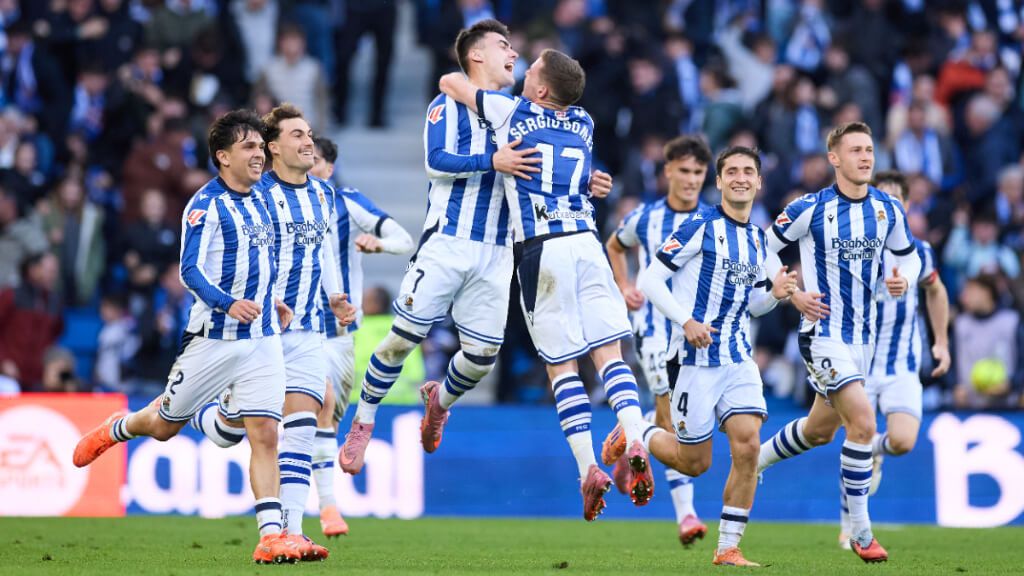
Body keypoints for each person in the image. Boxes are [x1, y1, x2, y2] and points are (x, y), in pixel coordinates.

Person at [338, 20, 612, 475]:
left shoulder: (522, 111)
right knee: (401, 341)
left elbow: (548, 170)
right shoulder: (449, 103)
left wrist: (587, 180)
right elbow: (435, 161)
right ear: (477, 56)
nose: (513, 53)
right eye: (503, 45)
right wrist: (492, 160)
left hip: (499, 250)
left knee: (483, 357)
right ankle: (363, 421)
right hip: (449, 240)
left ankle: (439, 401)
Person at [71, 109, 302, 564]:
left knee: (265, 434)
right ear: (222, 156)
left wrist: (271, 298)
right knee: (163, 427)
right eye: (249, 147)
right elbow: (189, 270)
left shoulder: (265, 198)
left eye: (261, 146)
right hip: (213, 338)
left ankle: (271, 535)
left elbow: (262, 259)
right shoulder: (205, 204)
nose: (260, 155)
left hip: (262, 337)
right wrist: (227, 303)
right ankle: (118, 426)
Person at [438, 47, 652, 521]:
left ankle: (588, 469)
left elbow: (449, 83)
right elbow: (576, 171)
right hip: (588, 243)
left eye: (530, 70)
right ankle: (635, 438)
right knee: (610, 355)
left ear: (539, 90)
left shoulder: (513, 109)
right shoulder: (585, 123)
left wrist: (493, 137)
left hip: (542, 247)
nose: (522, 72)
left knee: (563, 368)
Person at [605, 146, 797, 566]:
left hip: (737, 358)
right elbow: (652, 279)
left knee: (747, 446)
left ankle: (728, 547)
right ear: (721, 182)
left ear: (759, 182)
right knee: (695, 464)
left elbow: (753, 304)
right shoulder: (699, 225)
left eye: (749, 171)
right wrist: (685, 321)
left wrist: (776, 295)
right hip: (692, 360)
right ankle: (637, 429)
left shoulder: (758, 239)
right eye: (732, 172)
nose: (741, 178)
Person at [189, 105, 355, 561]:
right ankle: (201, 414)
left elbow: (321, 257)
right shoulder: (254, 193)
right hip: (260, 330)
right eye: (297, 134)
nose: (308, 141)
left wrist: (336, 296)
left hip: (307, 330)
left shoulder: (323, 195)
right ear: (274, 146)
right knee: (237, 432)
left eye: (310, 133)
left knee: (300, 429)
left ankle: (293, 531)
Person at [756, 122, 920, 563]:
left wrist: (903, 278)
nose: (866, 158)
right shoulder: (809, 208)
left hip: (861, 340)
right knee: (863, 424)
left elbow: (910, 257)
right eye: (855, 151)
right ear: (834, 158)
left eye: (869, 150)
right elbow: (759, 247)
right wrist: (792, 292)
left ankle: (755, 459)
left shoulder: (888, 209)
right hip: (822, 334)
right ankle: (861, 533)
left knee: (818, 431)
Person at [835, 170, 951, 548]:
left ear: (904, 205)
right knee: (855, 438)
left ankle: (875, 451)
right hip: (859, 364)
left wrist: (942, 342)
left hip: (901, 362)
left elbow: (935, 291)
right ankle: (849, 525)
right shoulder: (851, 248)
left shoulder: (918, 251)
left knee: (901, 441)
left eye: (894, 199)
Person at [605, 134, 711, 545]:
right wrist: (624, 283)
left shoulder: (710, 221)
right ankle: (686, 516)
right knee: (671, 422)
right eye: (683, 171)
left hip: (695, 335)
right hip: (653, 332)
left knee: (690, 422)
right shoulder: (645, 218)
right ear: (667, 170)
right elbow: (614, 245)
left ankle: (632, 432)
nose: (690, 180)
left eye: (698, 173)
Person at [307, 136, 414, 538]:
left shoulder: (346, 203)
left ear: (328, 169)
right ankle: (328, 508)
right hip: (292, 328)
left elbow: (404, 240)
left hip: (339, 333)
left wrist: (379, 243)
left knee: (325, 419)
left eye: (314, 159)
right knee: (320, 400)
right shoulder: (275, 202)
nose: (306, 163)